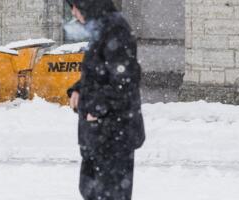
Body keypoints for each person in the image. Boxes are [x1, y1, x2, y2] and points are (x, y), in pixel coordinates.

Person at [65, 0, 146, 200]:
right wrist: (79, 89)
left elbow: (125, 82)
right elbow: (98, 74)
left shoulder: (115, 29)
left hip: (112, 135)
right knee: (92, 191)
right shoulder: (101, 29)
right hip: (100, 135)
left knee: (109, 195)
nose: (74, 13)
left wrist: (94, 107)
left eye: (74, 6)